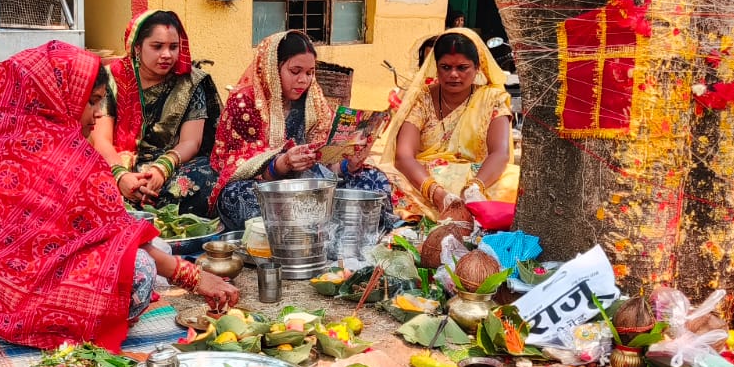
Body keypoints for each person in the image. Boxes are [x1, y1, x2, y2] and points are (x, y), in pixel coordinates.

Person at [0, 41, 239, 352]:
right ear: (57, 98)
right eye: (92, 102)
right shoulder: (70, 158)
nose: (98, 115)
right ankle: (47, 327)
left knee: (151, 248)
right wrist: (193, 277)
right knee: (140, 269)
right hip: (20, 306)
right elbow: (116, 238)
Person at [210, 31, 394, 231]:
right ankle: (335, 225)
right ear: (273, 67)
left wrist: (347, 165)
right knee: (237, 199)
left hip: (311, 182)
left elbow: (326, 162)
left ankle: (327, 225)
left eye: (309, 72)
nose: (303, 80)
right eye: (295, 71)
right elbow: (235, 167)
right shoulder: (244, 102)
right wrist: (283, 164)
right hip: (265, 186)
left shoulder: (313, 101)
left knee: (375, 180)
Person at [377, 28, 519, 223]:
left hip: (477, 180)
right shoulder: (422, 99)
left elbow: (500, 154)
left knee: (515, 180)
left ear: (477, 67)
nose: (453, 74)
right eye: (445, 67)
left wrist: (473, 189)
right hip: (427, 180)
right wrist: (438, 194)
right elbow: (403, 156)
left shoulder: (492, 99)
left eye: (462, 68)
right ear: (436, 67)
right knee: (383, 177)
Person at [91, 10, 222, 216]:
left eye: (173, 47)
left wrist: (162, 169)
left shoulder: (190, 82)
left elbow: (192, 142)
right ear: (137, 47)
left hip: (172, 163)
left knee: (205, 178)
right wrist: (120, 176)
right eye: (157, 46)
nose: (167, 55)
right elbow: (101, 140)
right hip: (118, 160)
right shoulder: (112, 78)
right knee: (86, 181)